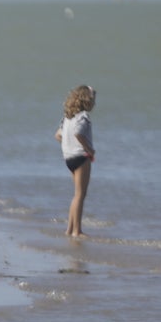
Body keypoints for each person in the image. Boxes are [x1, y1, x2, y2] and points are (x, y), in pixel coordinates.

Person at [55, 85, 97, 237]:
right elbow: (78, 133)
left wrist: (68, 146)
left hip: (69, 158)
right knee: (80, 194)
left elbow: (58, 135)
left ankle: (69, 229)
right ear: (86, 100)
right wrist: (89, 150)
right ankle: (76, 231)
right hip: (80, 157)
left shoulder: (68, 116)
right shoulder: (83, 116)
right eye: (93, 99)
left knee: (76, 194)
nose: (94, 103)